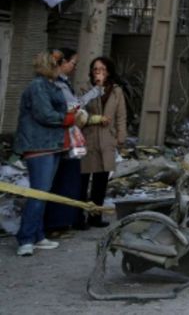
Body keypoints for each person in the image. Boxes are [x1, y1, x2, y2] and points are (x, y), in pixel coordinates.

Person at [15, 51, 86, 256]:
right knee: (38, 194)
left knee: (43, 193)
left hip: (52, 144)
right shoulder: (38, 87)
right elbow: (45, 114)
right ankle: (26, 238)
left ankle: (37, 235)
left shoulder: (49, 85)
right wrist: (69, 118)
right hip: (39, 146)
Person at [45, 48, 95, 233]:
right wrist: (87, 100)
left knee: (69, 179)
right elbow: (70, 108)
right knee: (64, 181)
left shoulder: (62, 83)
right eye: (73, 63)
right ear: (63, 62)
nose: (74, 68)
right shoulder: (54, 85)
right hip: (62, 138)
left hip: (69, 139)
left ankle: (63, 220)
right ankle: (56, 223)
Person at [79, 56, 127, 228]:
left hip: (107, 139)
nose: (99, 72)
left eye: (103, 69)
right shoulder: (85, 88)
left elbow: (121, 115)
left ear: (109, 72)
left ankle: (95, 216)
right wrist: (94, 118)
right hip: (88, 138)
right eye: (96, 69)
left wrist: (121, 136)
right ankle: (78, 217)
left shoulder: (116, 91)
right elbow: (78, 112)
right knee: (83, 179)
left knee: (101, 181)